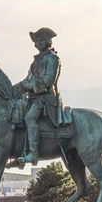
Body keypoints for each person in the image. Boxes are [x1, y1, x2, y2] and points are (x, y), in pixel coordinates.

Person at [14, 28, 67, 165]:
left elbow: (48, 81)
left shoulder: (53, 58)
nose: (36, 43)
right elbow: (28, 80)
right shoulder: (35, 61)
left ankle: (34, 154)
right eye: (35, 41)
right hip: (33, 97)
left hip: (46, 98)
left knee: (29, 118)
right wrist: (13, 90)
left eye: (39, 40)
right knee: (15, 114)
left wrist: (29, 86)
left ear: (47, 41)